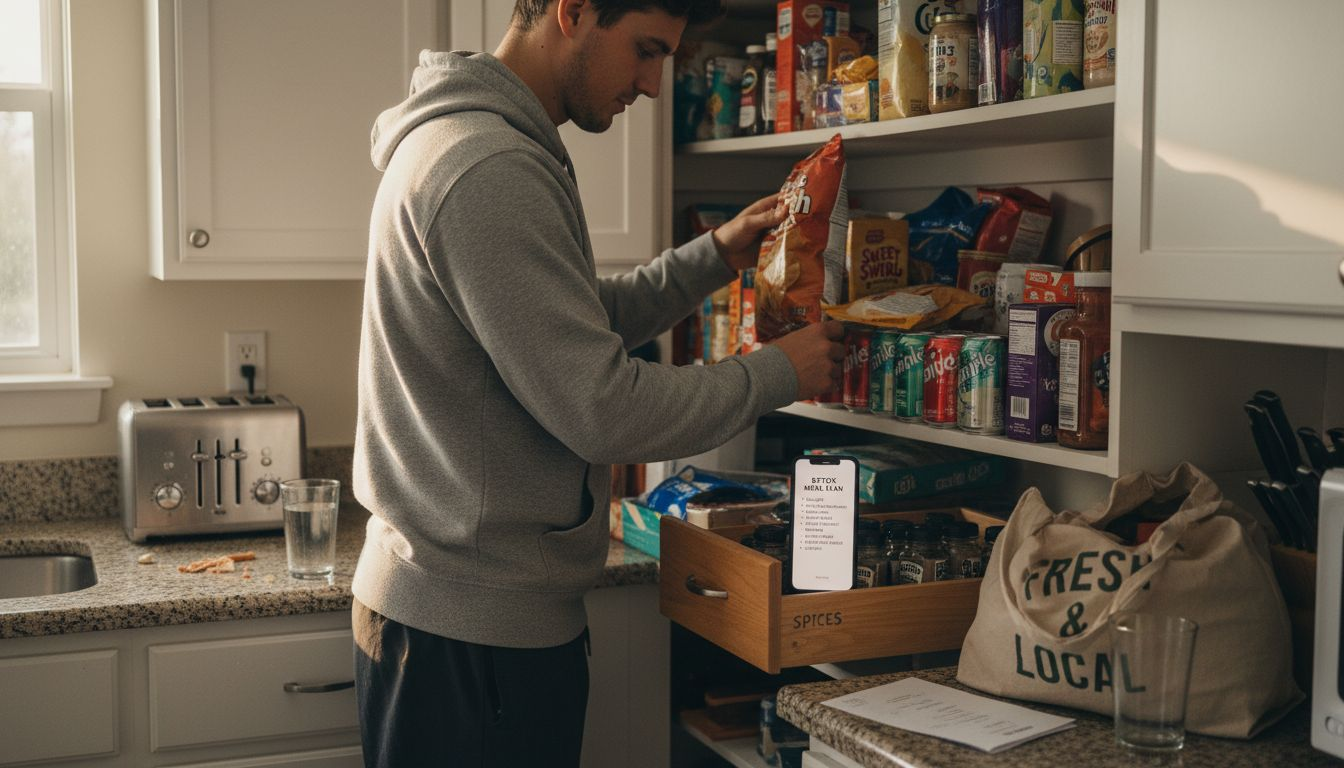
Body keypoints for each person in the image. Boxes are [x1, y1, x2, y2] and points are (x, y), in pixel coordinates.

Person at [350, 0, 844, 765]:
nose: (652, 85)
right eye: (645, 51)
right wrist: (780, 372)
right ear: (573, 12)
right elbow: (601, 407)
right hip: (473, 636)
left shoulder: (480, 142)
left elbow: (566, 324)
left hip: (459, 617)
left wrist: (713, 255)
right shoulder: (490, 167)